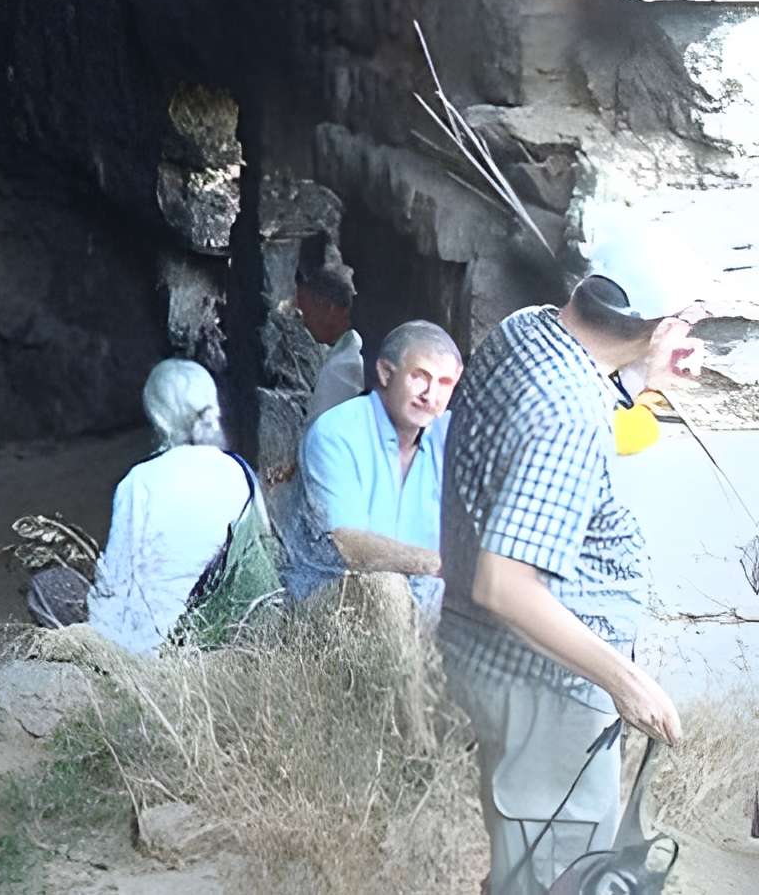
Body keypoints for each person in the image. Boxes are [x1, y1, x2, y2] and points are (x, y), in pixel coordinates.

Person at [442, 233, 704, 893]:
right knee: (555, 874)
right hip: (545, 686)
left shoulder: (524, 329)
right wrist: (627, 682)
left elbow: (567, 416)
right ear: (661, 322)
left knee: (526, 861)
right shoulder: (569, 414)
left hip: (493, 662)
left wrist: (646, 376)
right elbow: (503, 583)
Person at [27, 359, 272, 656]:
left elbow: (119, 584)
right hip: (226, 632)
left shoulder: (139, 482)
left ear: (157, 416)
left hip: (154, 650)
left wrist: (100, 637)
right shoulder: (240, 471)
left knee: (47, 586)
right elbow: (262, 551)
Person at [285, 319, 461, 610]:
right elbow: (350, 546)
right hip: (332, 606)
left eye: (444, 383)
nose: (430, 396)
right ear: (386, 372)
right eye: (419, 376)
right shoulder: (337, 431)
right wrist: (441, 564)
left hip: (421, 609)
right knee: (387, 588)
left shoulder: (449, 435)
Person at [298, 258, 367, 421]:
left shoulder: (344, 366)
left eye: (307, 312)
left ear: (329, 308)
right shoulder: (347, 351)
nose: (304, 322)